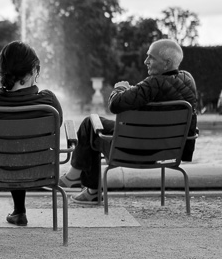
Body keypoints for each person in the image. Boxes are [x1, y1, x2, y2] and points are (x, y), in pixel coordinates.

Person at [61, 39, 198, 205]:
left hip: (135, 152)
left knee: (90, 124)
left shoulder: (153, 83)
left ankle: (79, 180)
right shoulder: (188, 80)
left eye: (151, 57)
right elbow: (162, 93)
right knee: (95, 125)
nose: (145, 61)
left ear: (167, 62)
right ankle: (82, 183)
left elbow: (115, 104)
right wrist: (134, 92)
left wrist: (120, 88)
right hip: (166, 151)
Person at [0, 41, 63, 226]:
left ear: (2, 71)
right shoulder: (48, 103)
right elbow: (59, 125)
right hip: (39, 169)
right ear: (33, 70)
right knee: (21, 149)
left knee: (12, 149)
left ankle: (19, 211)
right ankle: (19, 211)